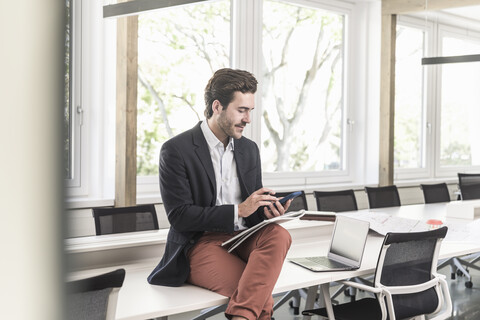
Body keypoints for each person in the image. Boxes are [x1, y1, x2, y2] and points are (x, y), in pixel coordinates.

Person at [147, 68, 293, 320]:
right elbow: (180, 216)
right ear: (217, 106)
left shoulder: (249, 149)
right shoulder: (176, 150)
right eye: (241, 110)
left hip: (242, 236)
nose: (248, 119)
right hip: (200, 242)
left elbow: (252, 211)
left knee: (279, 234)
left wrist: (267, 212)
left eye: (250, 111)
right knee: (261, 300)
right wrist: (239, 211)